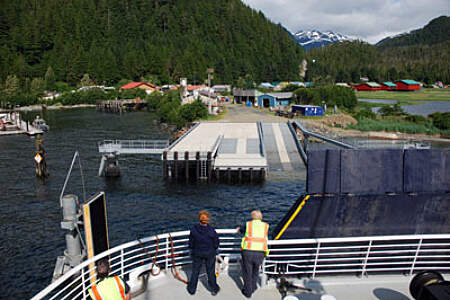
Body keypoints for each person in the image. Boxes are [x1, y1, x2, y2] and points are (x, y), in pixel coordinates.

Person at [236, 210, 269, 298]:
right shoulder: (266, 226)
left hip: (248, 251)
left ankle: (248, 292)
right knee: (255, 270)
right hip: (260, 252)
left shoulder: (248, 224)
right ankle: (253, 287)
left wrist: (239, 229)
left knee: (247, 272)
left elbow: (242, 230)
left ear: (252, 217)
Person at [187, 210, 220, 296]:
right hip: (209, 253)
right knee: (210, 271)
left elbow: (191, 242)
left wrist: (191, 249)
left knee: (195, 271)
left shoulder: (194, 230)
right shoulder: (211, 230)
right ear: (208, 219)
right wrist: (216, 249)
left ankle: (192, 289)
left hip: (197, 253)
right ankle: (214, 289)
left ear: (199, 219)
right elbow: (216, 242)